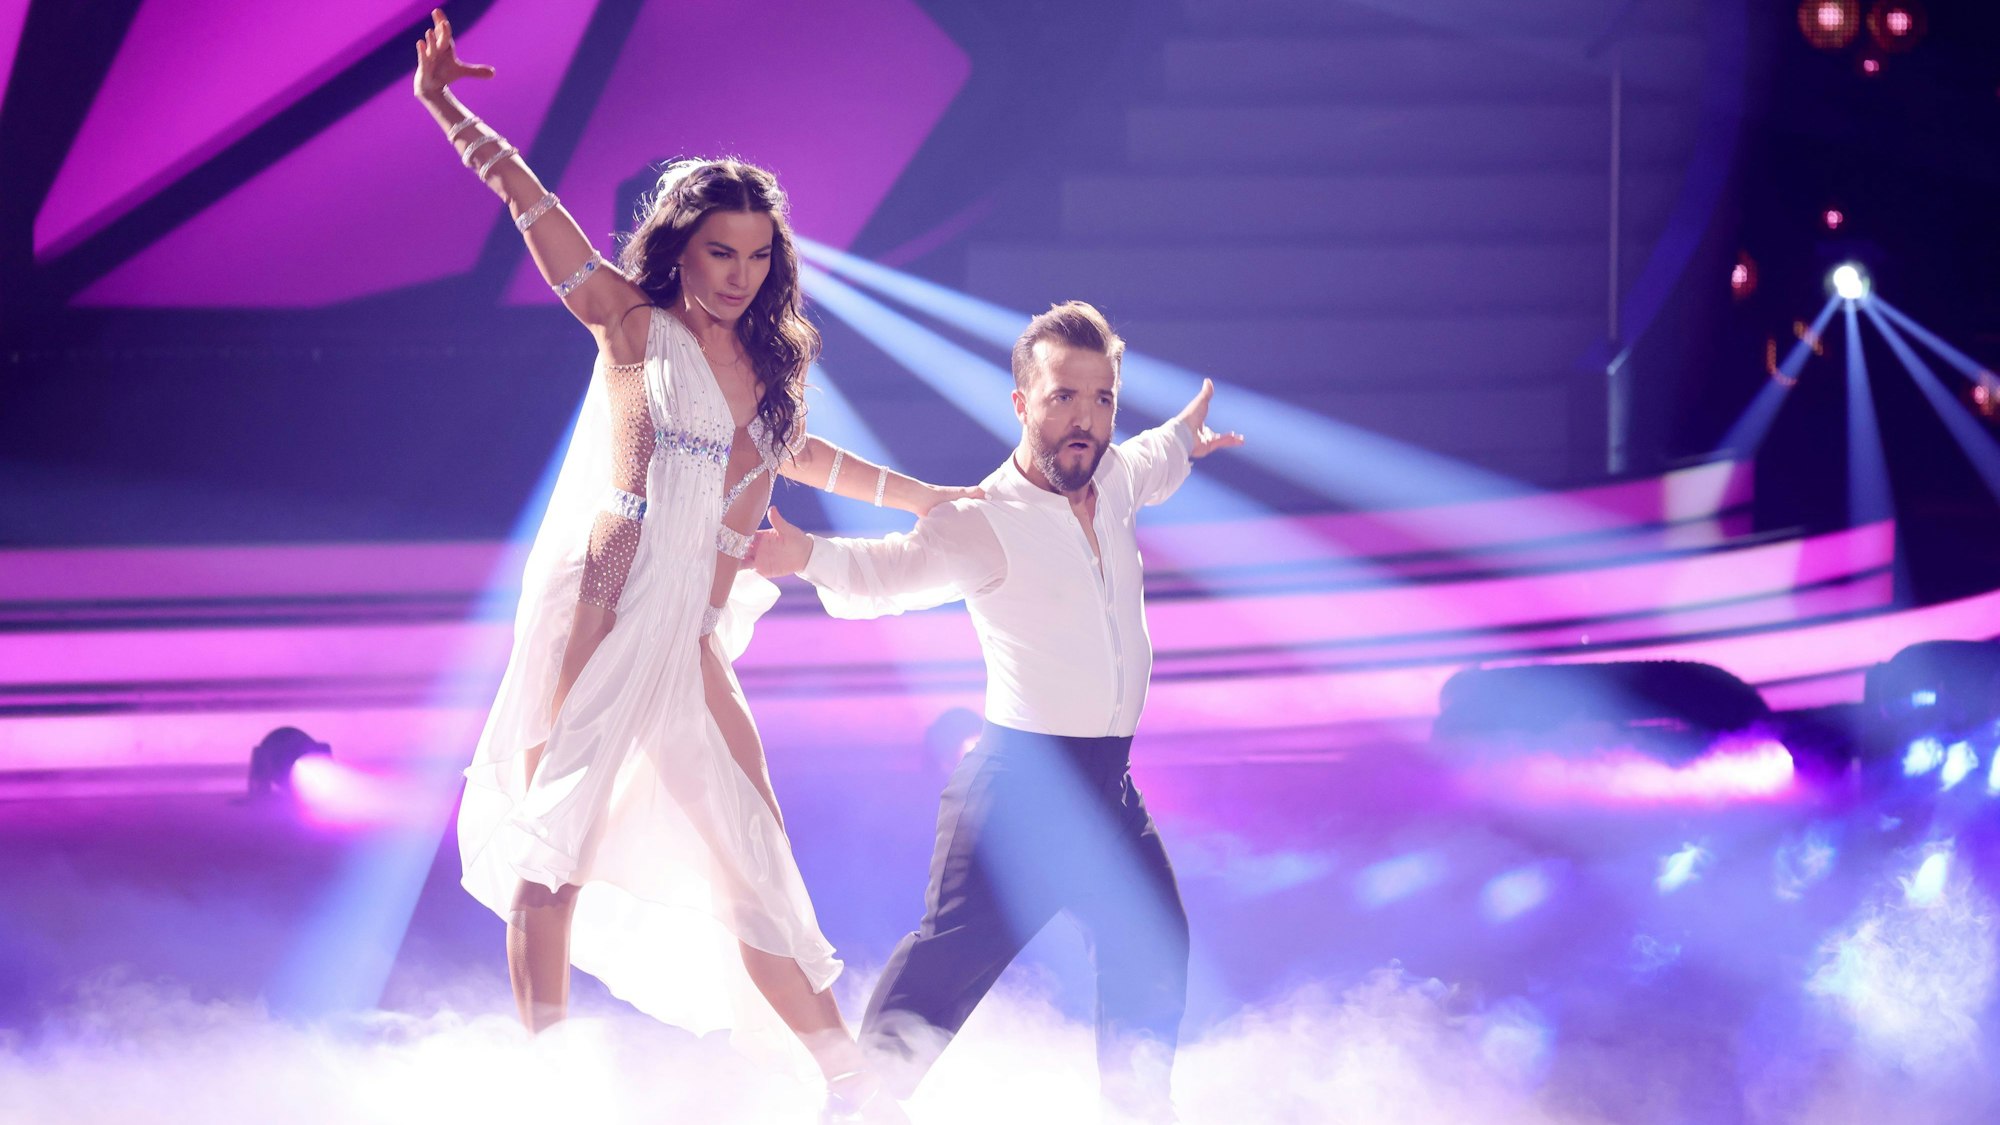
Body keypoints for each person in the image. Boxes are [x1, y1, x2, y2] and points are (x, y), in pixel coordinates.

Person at [412, 10, 966, 1119]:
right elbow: (533, 204)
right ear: (679, 246)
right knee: (549, 851)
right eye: (721, 251)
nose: (741, 275)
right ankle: (548, 1083)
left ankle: (851, 1082)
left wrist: (933, 499)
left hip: (688, 632)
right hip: (604, 605)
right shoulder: (628, 323)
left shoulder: (761, 365)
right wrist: (444, 108)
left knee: (750, 855)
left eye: (760, 257)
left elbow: (801, 456)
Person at [752, 300, 1244, 1118]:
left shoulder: (1115, 475)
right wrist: (803, 554)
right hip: (1019, 794)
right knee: (937, 988)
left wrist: (1186, 437)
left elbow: (1152, 459)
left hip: (1108, 791)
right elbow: (891, 572)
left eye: (1102, 399)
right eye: (1062, 399)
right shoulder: (984, 519)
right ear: (1021, 403)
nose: (1085, 421)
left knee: (1152, 956)